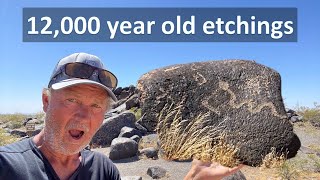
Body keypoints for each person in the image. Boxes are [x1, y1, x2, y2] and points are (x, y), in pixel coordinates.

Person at [0, 52, 243, 180]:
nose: (83, 116)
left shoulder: (103, 169)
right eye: (72, 100)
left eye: (96, 105)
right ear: (46, 101)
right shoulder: (7, 166)